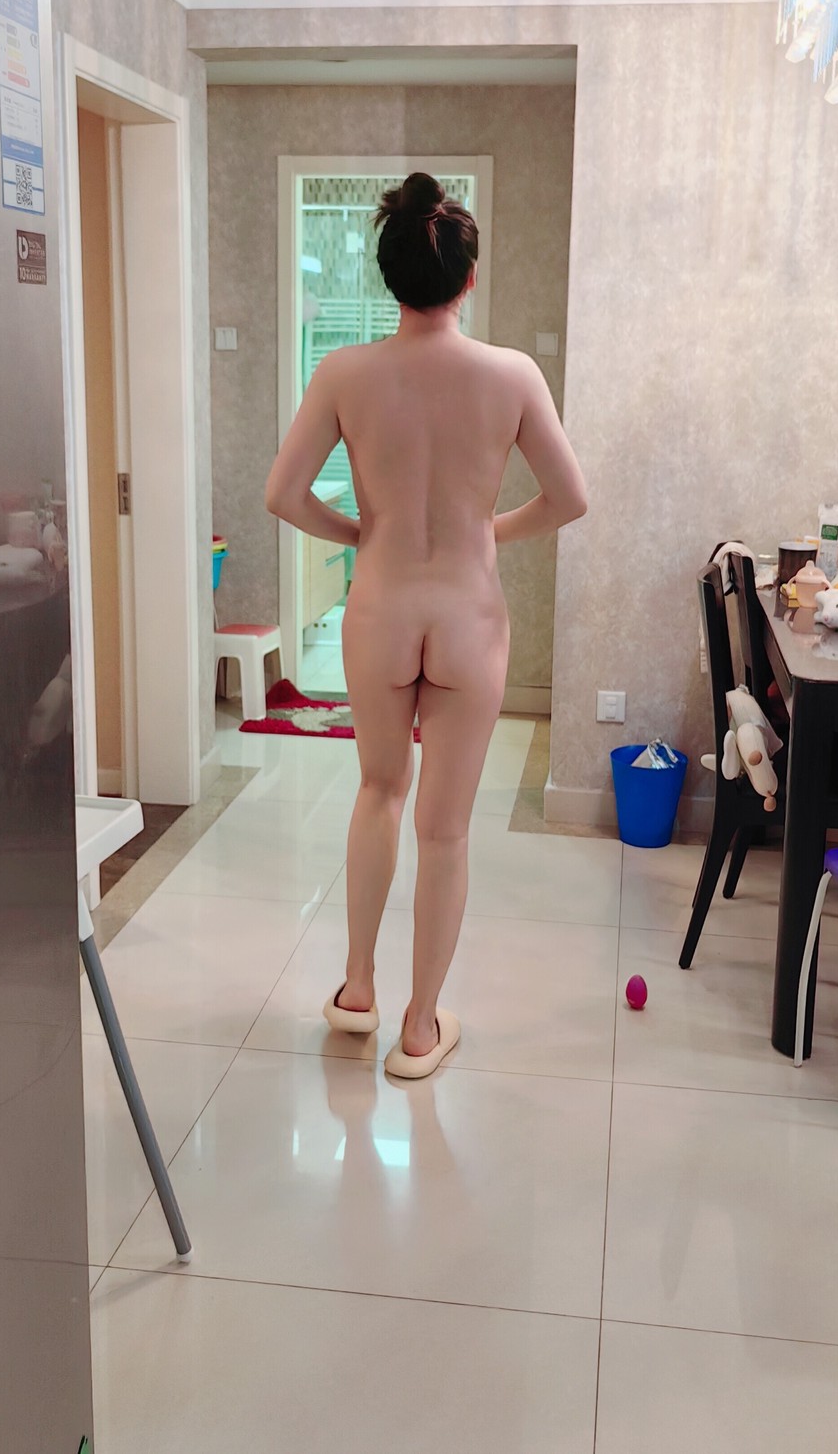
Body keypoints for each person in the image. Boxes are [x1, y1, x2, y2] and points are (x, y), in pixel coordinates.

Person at [265, 172, 587, 1078]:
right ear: (468, 277)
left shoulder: (344, 373)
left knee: (379, 791)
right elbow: (568, 498)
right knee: (444, 829)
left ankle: (357, 990)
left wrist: (360, 532)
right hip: (468, 616)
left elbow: (283, 494)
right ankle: (418, 1029)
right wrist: (488, 529)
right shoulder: (511, 374)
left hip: (381, 607)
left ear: (388, 275)